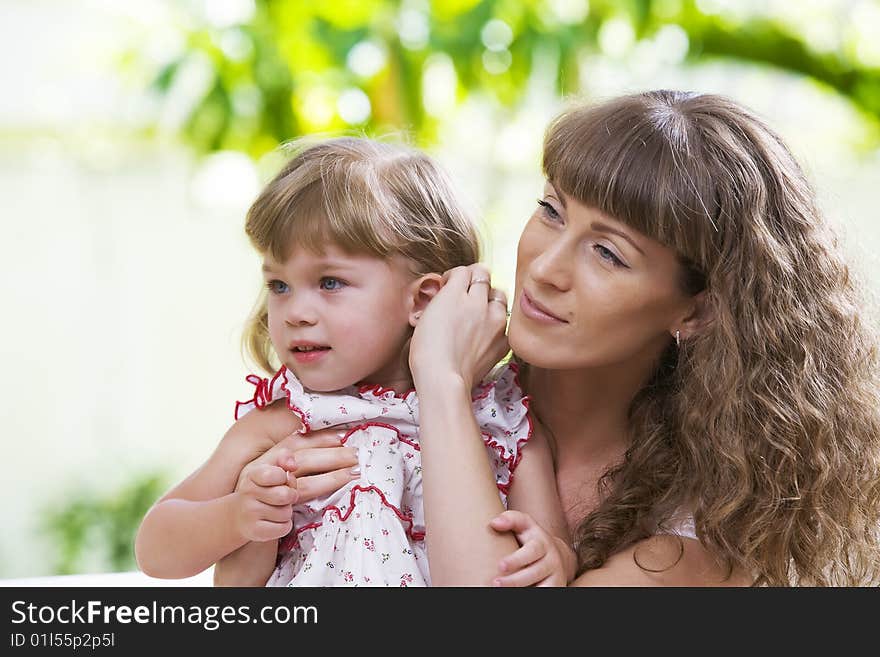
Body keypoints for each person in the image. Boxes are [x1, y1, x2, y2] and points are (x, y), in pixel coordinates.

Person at [220, 90, 880, 587]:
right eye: (551, 210)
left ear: (698, 311)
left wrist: (442, 387)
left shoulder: (712, 525)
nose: (544, 267)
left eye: (608, 253)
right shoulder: (374, 401)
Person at [134, 136, 574, 587]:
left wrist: (552, 556)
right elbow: (155, 551)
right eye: (279, 285)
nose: (295, 313)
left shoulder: (496, 422)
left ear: (422, 299)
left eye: (329, 282)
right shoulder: (284, 423)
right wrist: (237, 515)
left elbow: (553, 544)